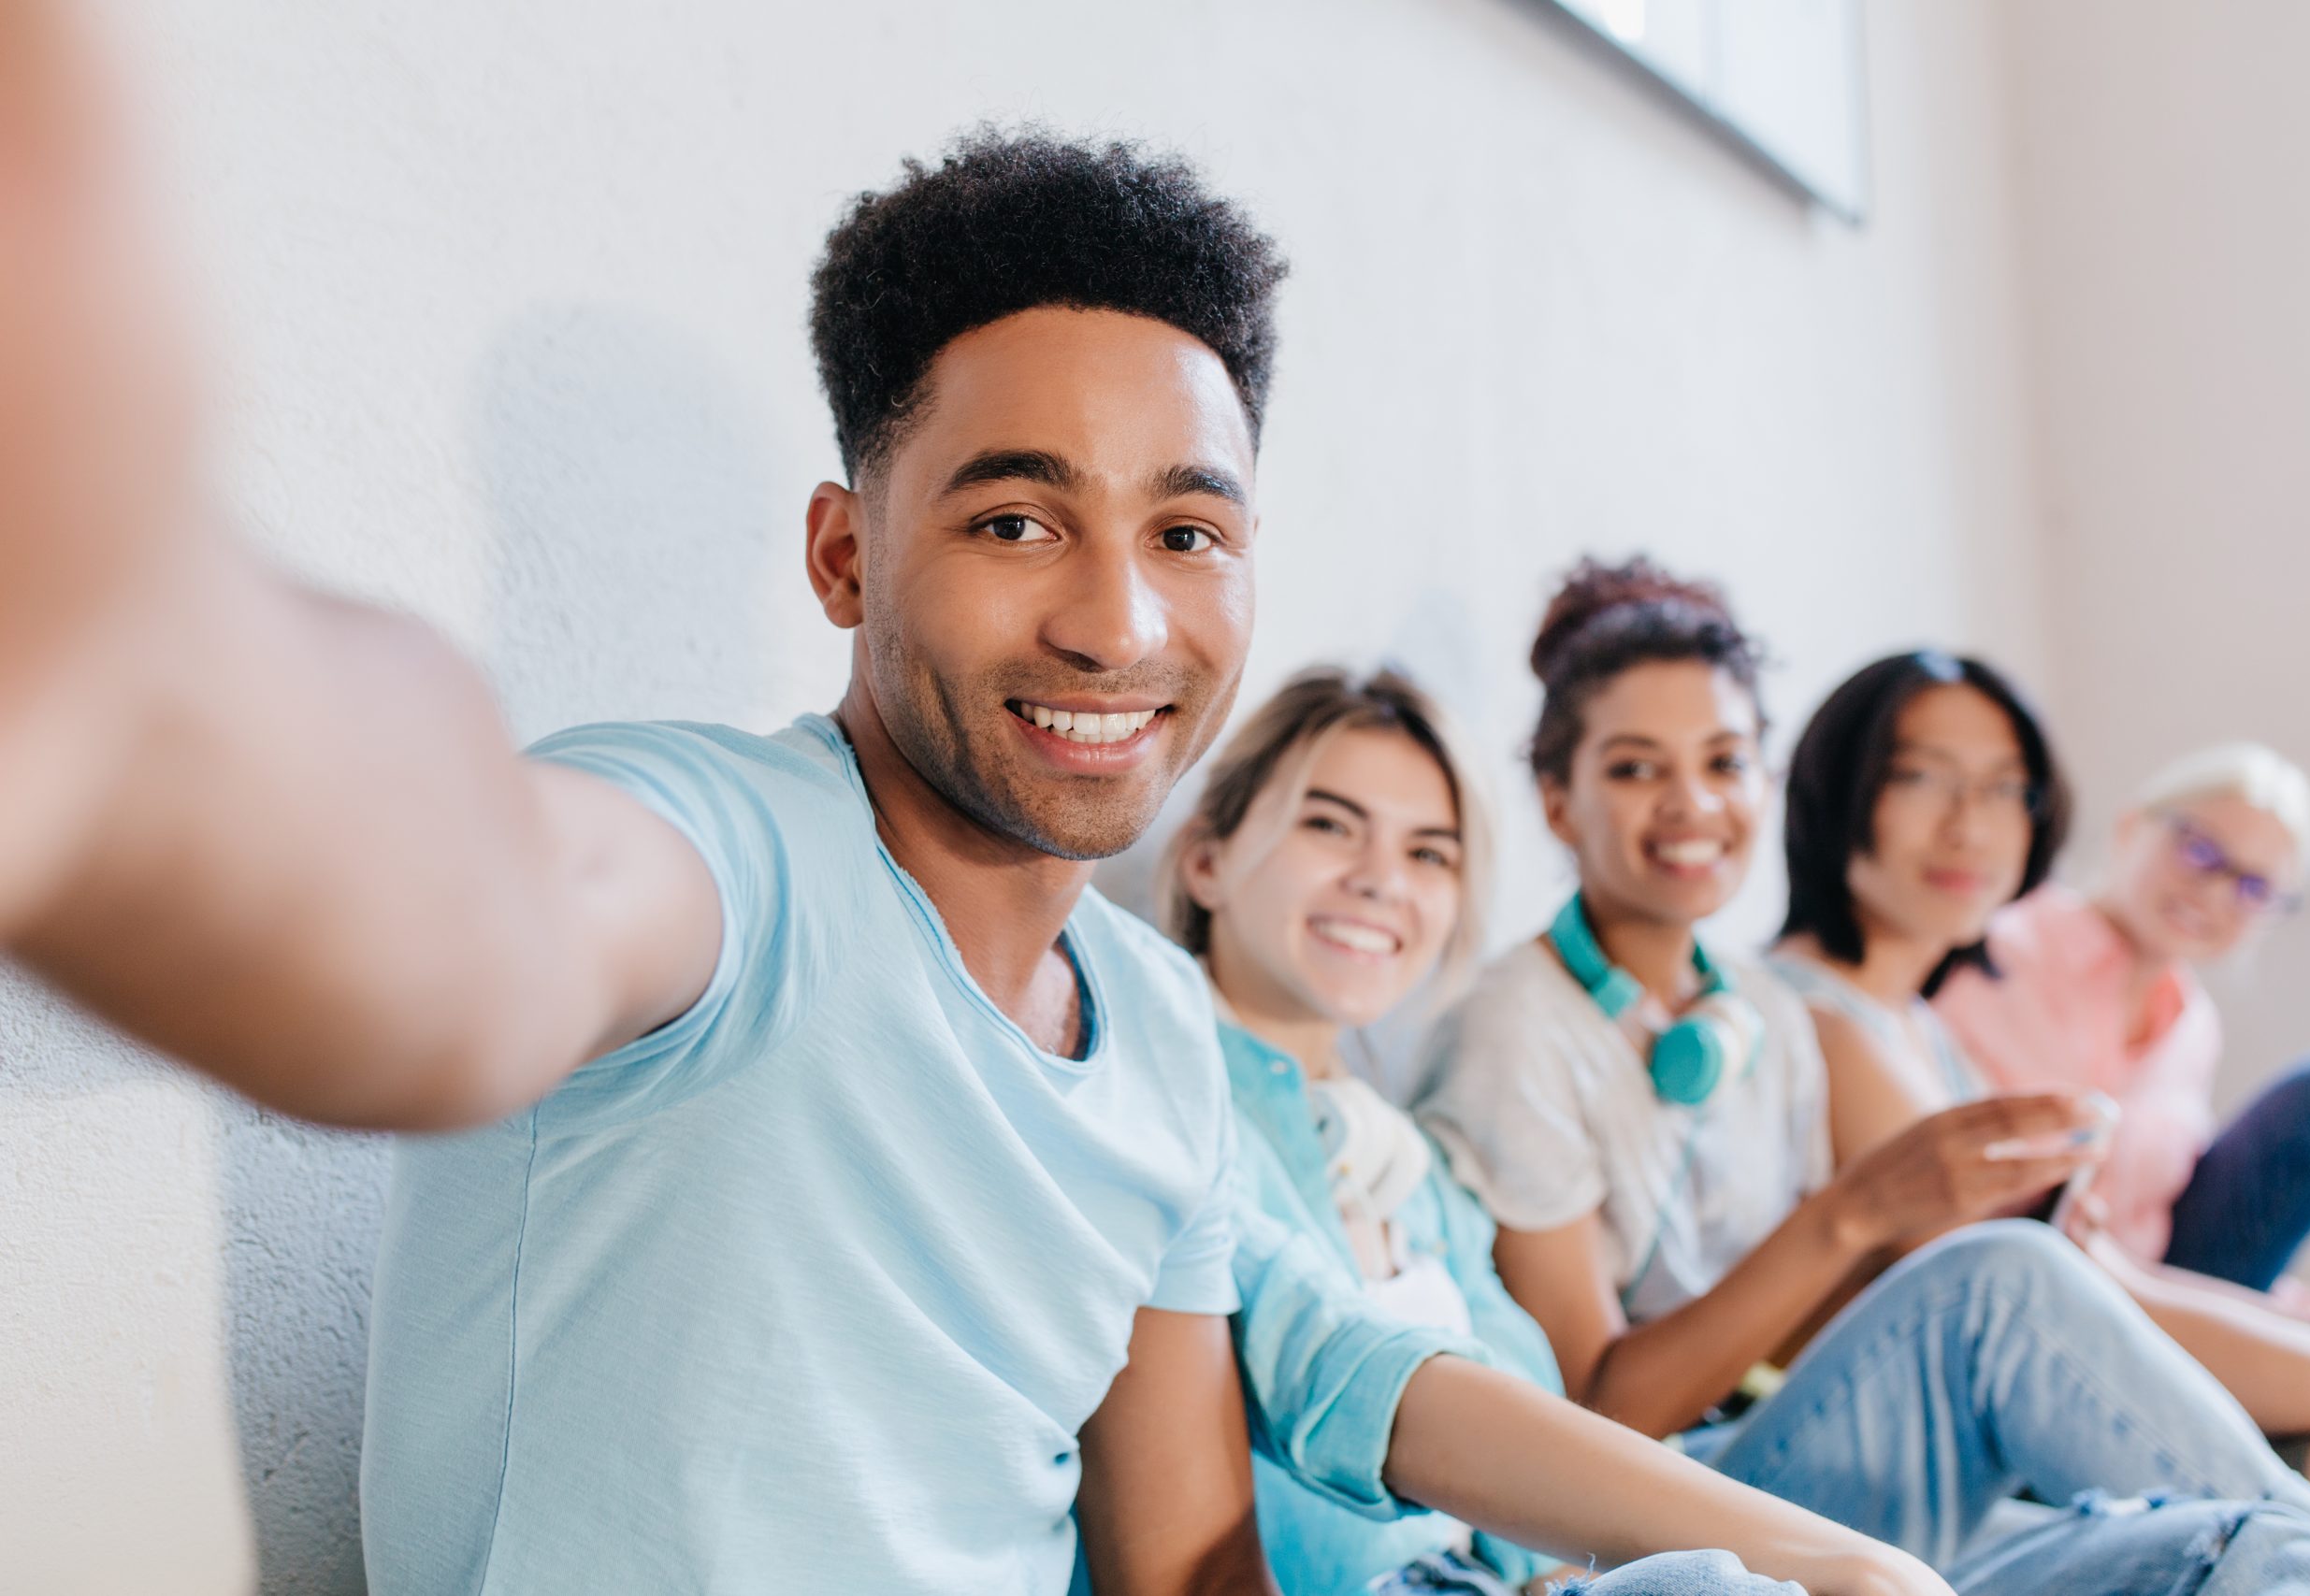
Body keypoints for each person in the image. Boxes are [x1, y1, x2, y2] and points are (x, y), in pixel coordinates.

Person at [0, 34, 1913, 1596]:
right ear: (846, 554)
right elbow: (460, 917)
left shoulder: (1156, 1033)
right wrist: (114, 664)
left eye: (1186, 531)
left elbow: (1181, 1557)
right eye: (1013, 520)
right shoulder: (718, 853)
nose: (1114, 618)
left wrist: (1840, 1565)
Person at [1413, 558, 2310, 1592]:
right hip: (1666, 1499)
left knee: (2256, 1548)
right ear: (1557, 802)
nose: (1691, 802)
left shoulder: (1758, 1014)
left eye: (1724, 761)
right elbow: (1590, 1415)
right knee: (2004, 1281)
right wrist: (1857, 1215)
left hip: (1823, 1468)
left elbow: (1800, 1329)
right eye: (1634, 768)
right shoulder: (1515, 1027)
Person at [1162, 666, 1954, 1596]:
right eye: (1329, 825)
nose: (1380, 882)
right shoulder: (1174, 1107)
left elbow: (1539, 1436)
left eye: (1429, 853)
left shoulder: (1423, 1181)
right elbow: (1346, 1386)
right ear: (1206, 858)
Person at [1769, 648, 2310, 1568]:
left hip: (2097, 1307)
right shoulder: (1915, 997)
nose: (1967, 828)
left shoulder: (1920, 1030)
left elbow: (2100, 1266)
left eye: (1999, 793)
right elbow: (2065, 1288)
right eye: (1920, 779)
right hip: (2017, 1374)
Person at [1934, 740, 2310, 1309]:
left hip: (2153, 1288)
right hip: (2029, 1287)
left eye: (2255, 889)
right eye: (2201, 851)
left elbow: (2183, 1224)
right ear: (2131, 827)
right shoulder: (1997, 952)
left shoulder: (2193, 1027)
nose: (2216, 893)